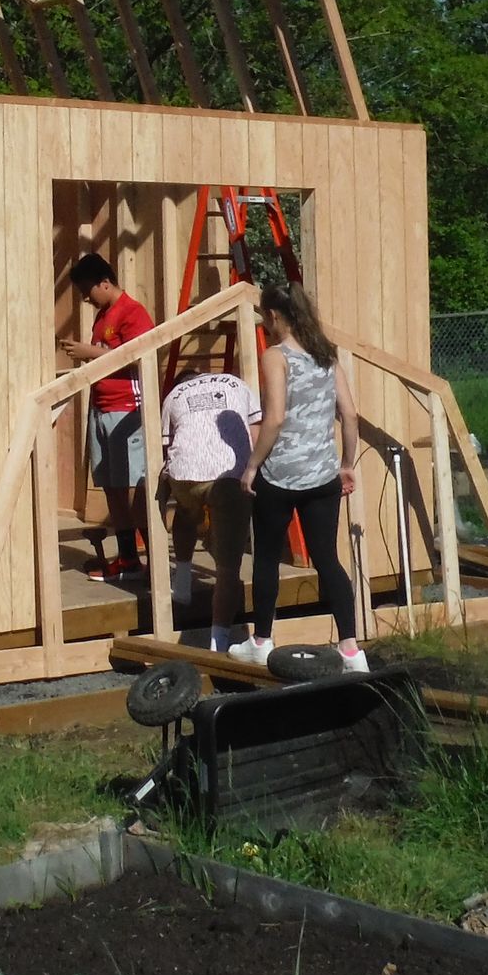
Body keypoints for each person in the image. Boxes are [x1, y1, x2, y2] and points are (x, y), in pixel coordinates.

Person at [231, 283, 369, 672]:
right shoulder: (326, 354)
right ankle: (351, 651)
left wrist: (253, 465)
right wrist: (347, 463)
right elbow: (351, 415)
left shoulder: (276, 356)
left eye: (263, 316)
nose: (264, 322)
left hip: (280, 475)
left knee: (268, 559)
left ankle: (261, 640)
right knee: (327, 559)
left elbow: (273, 417)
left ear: (274, 316)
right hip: (323, 475)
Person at [59, 252, 153, 579]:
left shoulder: (133, 312)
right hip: (101, 408)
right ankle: (128, 558)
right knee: (112, 486)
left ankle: (151, 560)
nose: (86, 297)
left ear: (105, 282)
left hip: (127, 410)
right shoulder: (103, 316)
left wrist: (89, 353)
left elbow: (139, 354)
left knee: (135, 487)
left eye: (88, 289)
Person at [159, 365, 262, 651]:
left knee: (183, 505)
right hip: (232, 478)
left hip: (187, 477)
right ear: (202, 374)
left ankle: (181, 579)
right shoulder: (236, 383)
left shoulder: (173, 395)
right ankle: (219, 641)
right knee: (228, 569)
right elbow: (256, 435)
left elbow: (169, 449)